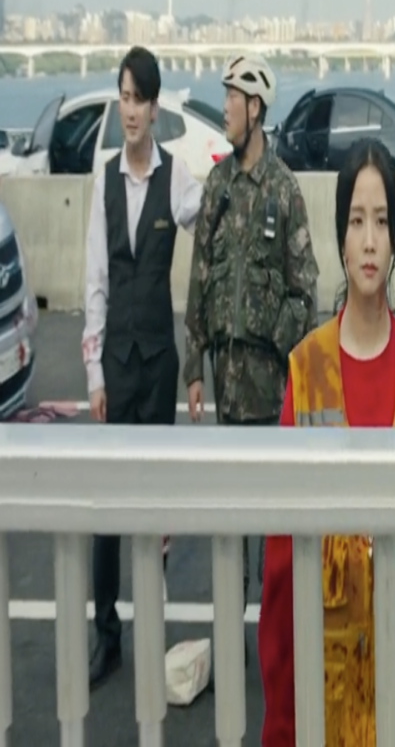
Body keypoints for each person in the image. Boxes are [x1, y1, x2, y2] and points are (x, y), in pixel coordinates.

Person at [258, 138, 395, 745]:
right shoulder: (305, 372)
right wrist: (281, 724)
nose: (369, 241)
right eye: (356, 222)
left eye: (381, 222)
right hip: (328, 706)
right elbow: (280, 573)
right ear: (339, 238)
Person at [81, 46, 203, 688]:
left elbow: (206, 216)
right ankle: (107, 637)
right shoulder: (103, 181)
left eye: (139, 100)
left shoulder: (174, 177)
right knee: (107, 510)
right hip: (117, 367)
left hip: (157, 368)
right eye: (123, 98)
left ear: (156, 108)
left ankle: (150, 627)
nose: (130, 111)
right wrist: (94, 375)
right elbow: (95, 282)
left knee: (154, 505)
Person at [183, 53, 320, 627]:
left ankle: (279, 643)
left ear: (256, 108)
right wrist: (194, 367)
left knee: (274, 534)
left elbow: (305, 292)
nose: (225, 110)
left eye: (233, 100)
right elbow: (199, 278)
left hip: (270, 394)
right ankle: (230, 640)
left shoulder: (282, 190)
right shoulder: (216, 187)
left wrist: (272, 336)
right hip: (227, 394)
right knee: (231, 530)